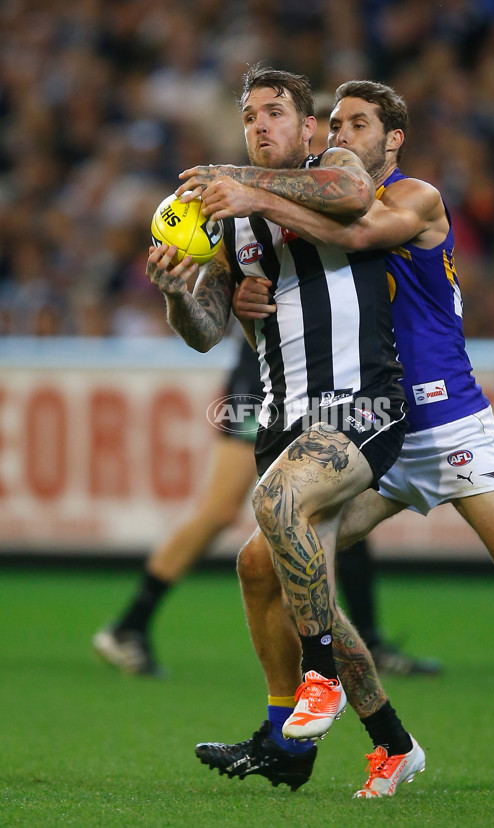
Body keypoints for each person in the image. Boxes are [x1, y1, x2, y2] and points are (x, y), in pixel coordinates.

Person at [192, 78, 494, 798]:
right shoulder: (317, 201)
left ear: (393, 138)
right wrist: (247, 298)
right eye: (339, 124)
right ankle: (369, 739)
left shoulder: (412, 199)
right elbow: (304, 291)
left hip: (448, 425)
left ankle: (344, 711)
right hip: (376, 426)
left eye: (359, 123)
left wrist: (252, 192)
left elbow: (353, 229)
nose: (346, 135)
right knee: (271, 562)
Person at [146, 66, 426, 797]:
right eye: (249, 116)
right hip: (284, 418)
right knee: (262, 569)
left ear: (308, 127)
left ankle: (319, 680)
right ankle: (343, 742)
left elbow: (356, 195)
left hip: (362, 405)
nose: (262, 125)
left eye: (276, 113)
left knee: (274, 504)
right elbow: (205, 333)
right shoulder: (229, 220)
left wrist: (241, 183)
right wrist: (181, 295)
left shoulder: (331, 167)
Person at [93, 329, 441, 678]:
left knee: (336, 496)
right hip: (265, 376)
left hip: (319, 371)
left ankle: (371, 640)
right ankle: (130, 624)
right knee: (221, 509)